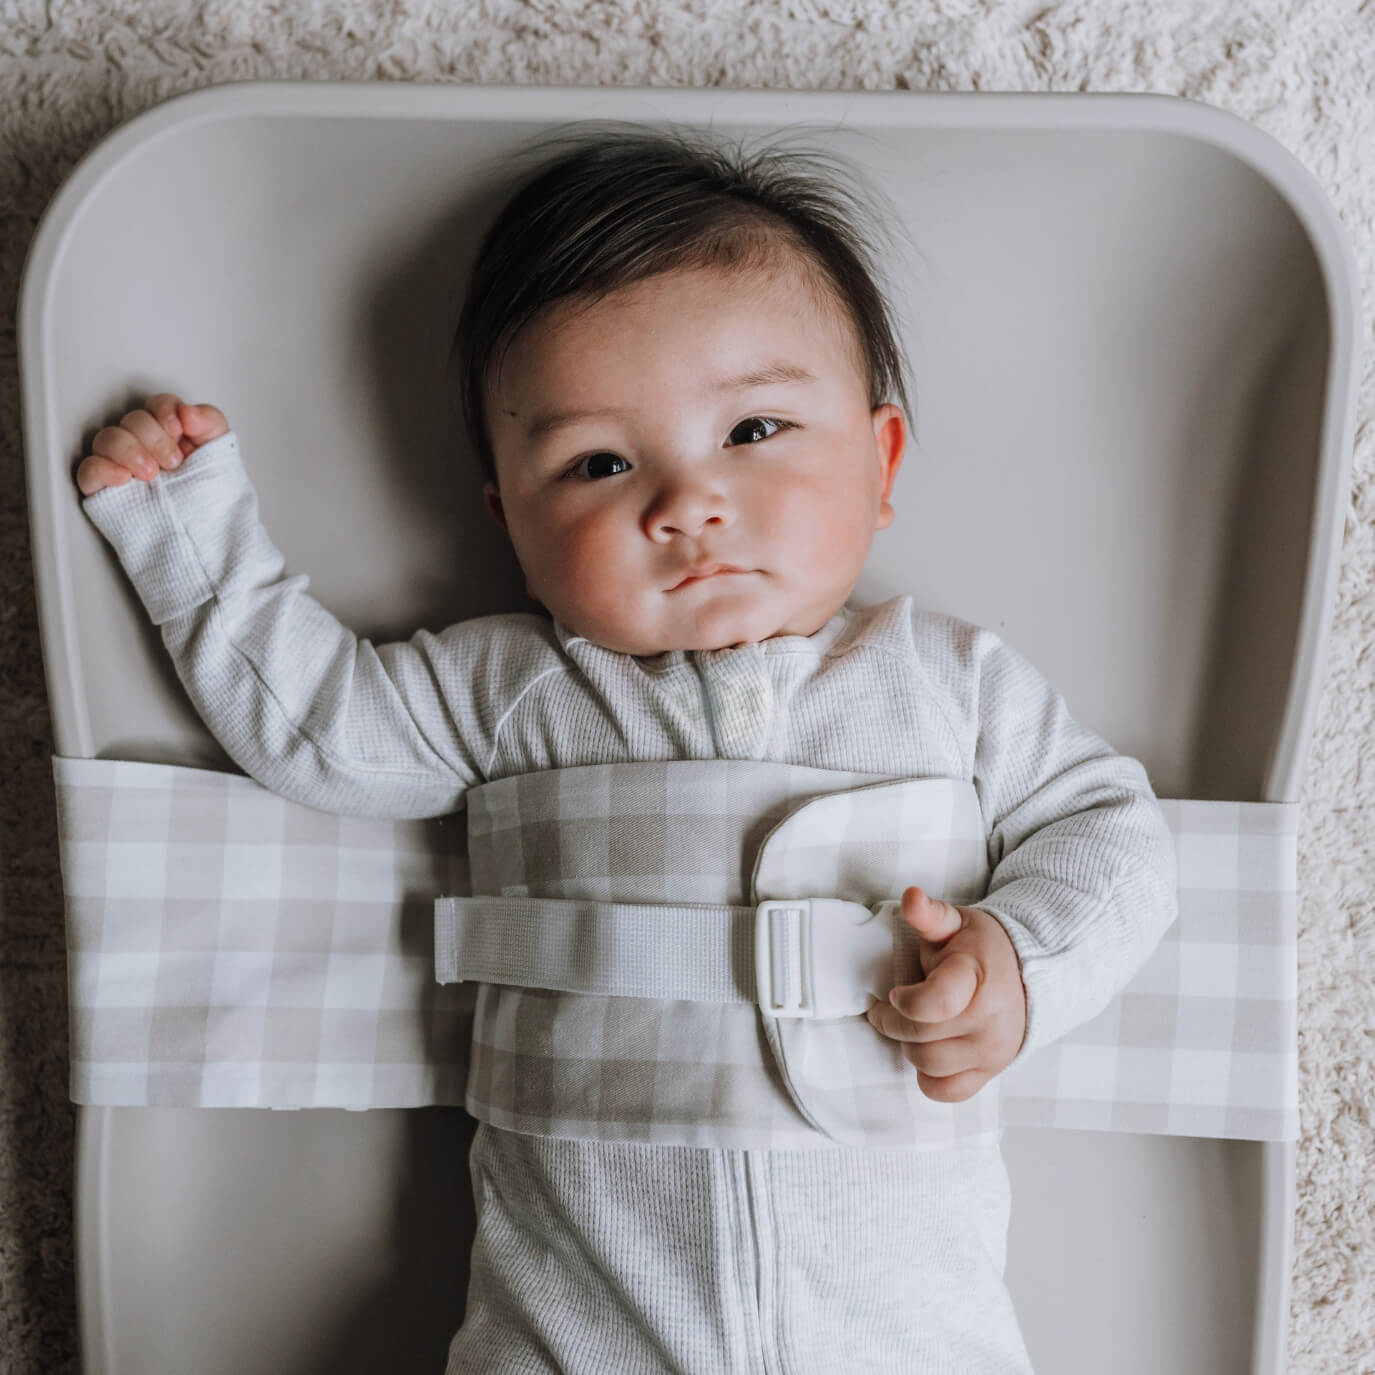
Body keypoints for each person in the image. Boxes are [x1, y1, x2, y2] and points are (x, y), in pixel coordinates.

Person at [75, 123, 1177, 1373]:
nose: (685, 502)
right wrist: (191, 535)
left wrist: (1021, 960)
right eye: (597, 463)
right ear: (512, 520)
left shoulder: (947, 683)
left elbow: (1115, 838)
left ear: (879, 464)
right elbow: (319, 730)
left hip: (908, 1332)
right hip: (574, 1331)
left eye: (754, 430)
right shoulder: (516, 687)